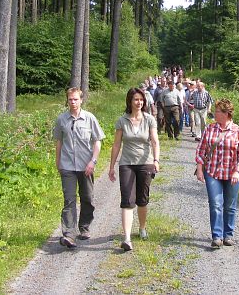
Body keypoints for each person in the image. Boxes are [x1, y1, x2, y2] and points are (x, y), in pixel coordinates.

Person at [53, 87, 106, 248]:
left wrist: (93, 161)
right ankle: (69, 233)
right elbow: (59, 142)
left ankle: (84, 227)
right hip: (67, 165)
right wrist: (58, 163)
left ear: (81, 100)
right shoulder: (62, 119)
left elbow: (97, 140)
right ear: (67, 100)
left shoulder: (89, 118)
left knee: (87, 198)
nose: (73, 102)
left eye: (76, 99)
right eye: (70, 99)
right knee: (69, 199)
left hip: (86, 165)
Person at [109, 88, 161, 252]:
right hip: (127, 163)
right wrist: (111, 166)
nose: (138, 102)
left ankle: (142, 227)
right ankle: (127, 237)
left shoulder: (149, 119)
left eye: (141, 100)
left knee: (142, 199)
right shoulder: (122, 120)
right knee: (127, 200)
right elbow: (117, 144)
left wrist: (156, 160)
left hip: (145, 163)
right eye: (135, 100)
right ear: (130, 102)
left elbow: (154, 141)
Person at [195, 99, 239, 248]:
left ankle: (228, 235)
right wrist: (200, 169)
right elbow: (201, 150)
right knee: (216, 204)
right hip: (212, 172)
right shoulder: (210, 129)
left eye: (217, 111)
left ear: (226, 114)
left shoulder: (238, 131)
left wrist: (238, 171)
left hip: (232, 174)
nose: (215, 114)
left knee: (230, 206)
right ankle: (217, 236)